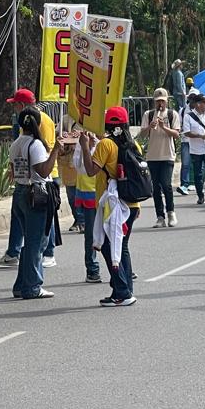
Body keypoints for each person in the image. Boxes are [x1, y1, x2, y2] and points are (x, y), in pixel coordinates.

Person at [82, 106, 142, 306]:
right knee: (121, 246)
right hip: (131, 203)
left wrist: (85, 146)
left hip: (112, 205)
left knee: (108, 247)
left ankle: (122, 292)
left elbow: (91, 171)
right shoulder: (134, 145)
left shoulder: (106, 144)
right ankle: (123, 290)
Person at [0, 88, 57, 267]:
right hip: (27, 180)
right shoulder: (27, 125)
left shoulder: (40, 122)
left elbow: (43, 154)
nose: (14, 109)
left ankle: (47, 253)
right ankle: (15, 252)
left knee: (43, 225)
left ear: (21, 105)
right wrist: (16, 167)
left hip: (40, 179)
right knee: (26, 223)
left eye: (15, 105)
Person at [9, 107, 58, 299]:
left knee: (29, 242)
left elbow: (14, 169)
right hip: (35, 195)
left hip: (20, 192)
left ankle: (22, 284)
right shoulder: (35, 144)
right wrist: (55, 150)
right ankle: (33, 286)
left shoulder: (16, 143)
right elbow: (43, 171)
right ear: (39, 123)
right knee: (37, 243)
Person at [142, 87, 181, 228]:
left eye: (163, 101)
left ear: (167, 101)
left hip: (167, 155)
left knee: (166, 185)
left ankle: (171, 212)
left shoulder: (172, 114)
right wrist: (150, 127)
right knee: (156, 188)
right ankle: (160, 216)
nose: (160, 104)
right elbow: (142, 134)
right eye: (158, 101)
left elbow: (176, 134)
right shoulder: (148, 114)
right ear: (154, 102)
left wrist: (164, 127)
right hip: (152, 156)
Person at [71, 123, 102, 284]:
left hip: (108, 194)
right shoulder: (84, 141)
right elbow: (79, 167)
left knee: (115, 232)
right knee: (91, 234)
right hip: (89, 194)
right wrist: (87, 147)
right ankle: (92, 269)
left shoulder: (109, 143)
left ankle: (122, 266)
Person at [183, 94, 205, 205]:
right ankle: (200, 196)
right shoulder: (188, 116)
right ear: (198, 104)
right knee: (198, 174)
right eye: (204, 102)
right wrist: (201, 136)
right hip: (196, 150)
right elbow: (187, 132)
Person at [177, 89, 199, 195]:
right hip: (186, 140)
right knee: (185, 163)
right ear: (188, 98)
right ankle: (184, 185)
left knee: (198, 164)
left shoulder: (202, 111)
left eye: (195, 98)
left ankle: (197, 183)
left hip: (198, 141)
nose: (193, 100)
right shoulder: (182, 111)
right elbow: (179, 125)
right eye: (191, 97)